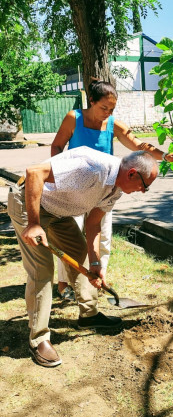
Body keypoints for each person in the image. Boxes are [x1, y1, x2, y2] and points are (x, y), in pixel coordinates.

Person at [7, 146, 159, 368]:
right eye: (144, 186)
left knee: (81, 255)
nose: (143, 191)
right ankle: (39, 339)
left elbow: (93, 223)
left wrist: (96, 263)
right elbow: (34, 172)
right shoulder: (92, 168)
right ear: (132, 173)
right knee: (42, 271)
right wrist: (34, 224)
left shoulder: (115, 188)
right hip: (30, 205)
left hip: (59, 213)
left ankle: (88, 315)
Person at [51, 79, 173, 299]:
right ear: (91, 101)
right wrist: (57, 171)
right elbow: (57, 145)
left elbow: (139, 145)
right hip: (75, 187)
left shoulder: (113, 125)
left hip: (104, 188)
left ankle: (97, 278)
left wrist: (164, 156)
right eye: (104, 108)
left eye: (111, 109)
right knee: (71, 236)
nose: (107, 113)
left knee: (103, 237)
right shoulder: (74, 118)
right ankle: (65, 284)